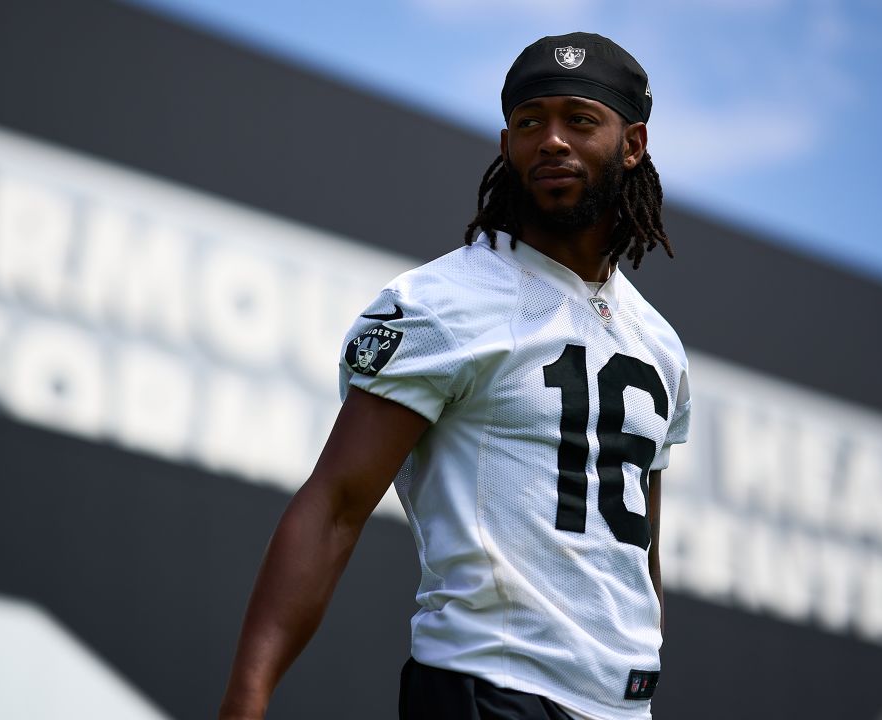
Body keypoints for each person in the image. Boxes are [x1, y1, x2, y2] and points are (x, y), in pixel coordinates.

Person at [220, 32, 690, 720]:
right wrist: (246, 698)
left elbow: (639, 551)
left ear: (633, 143)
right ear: (506, 146)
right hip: (488, 688)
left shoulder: (661, 344)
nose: (551, 141)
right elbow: (334, 507)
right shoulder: (443, 302)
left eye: (579, 120)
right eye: (530, 124)